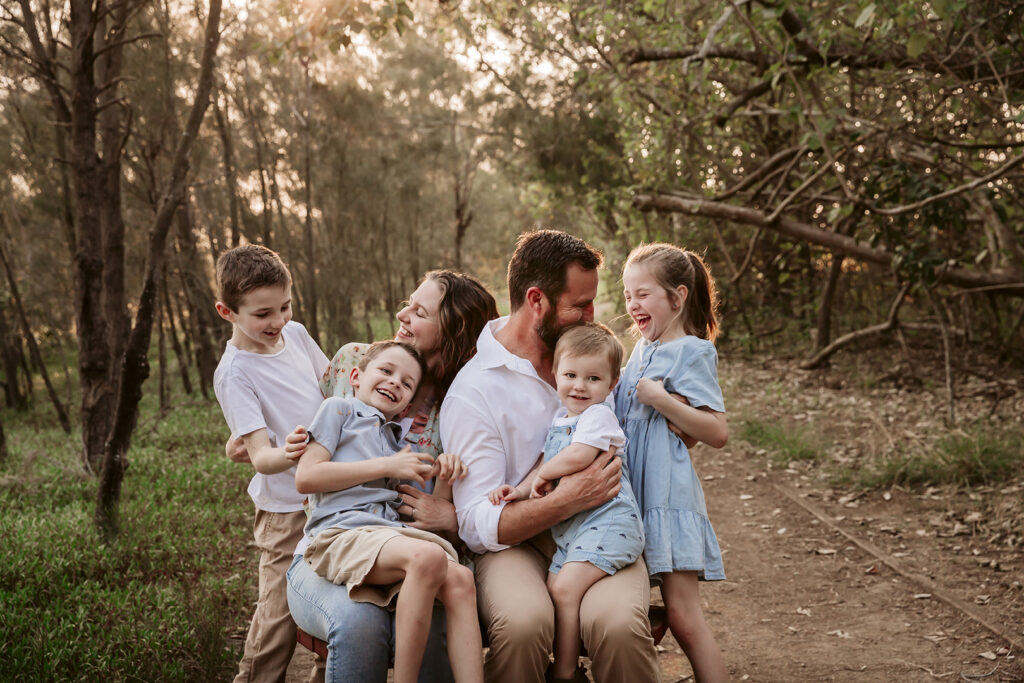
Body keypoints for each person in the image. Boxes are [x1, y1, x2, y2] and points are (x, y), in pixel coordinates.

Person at [441, 230, 661, 683]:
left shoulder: (590, 355)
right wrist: (564, 499)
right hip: (516, 543)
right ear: (536, 299)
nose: (591, 315)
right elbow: (479, 524)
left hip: (600, 529)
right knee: (523, 624)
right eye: (579, 305)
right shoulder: (474, 390)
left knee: (617, 625)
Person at [285, 270, 499, 683]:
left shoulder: (460, 406)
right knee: (359, 623)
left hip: (399, 545)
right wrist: (265, 448)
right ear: (359, 377)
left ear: (451, 332)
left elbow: (458, 501)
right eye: (408, 303)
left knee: (451, 590)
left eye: (419, 312)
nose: (402, 314)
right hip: (334, 541)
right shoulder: (354, 363)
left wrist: (447, 501)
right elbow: (313, 452)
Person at [487, 322, 645, 682]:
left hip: (609, 523)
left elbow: (578, 456)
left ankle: (565, 671)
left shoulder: (598, 417)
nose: (579, 385)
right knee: (555, 585)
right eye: (571, 374)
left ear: (611, 384)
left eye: (593, 378)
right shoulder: (562, 420)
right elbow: (545, 462)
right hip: (578, 531)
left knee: (562, 588)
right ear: (555, 375)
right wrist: (519, 490)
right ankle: (563, 663)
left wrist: (544, 477)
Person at [213, 244, 329, 683]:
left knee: (334, 597)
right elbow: (261, 457)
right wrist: (299, 449)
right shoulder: (235, 372)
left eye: (284, 306)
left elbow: (332, 386)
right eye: (262, 314)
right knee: (279, 617)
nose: (277, 321)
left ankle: (327, 673)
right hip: (285, 511)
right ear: (228, 312)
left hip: (332, 496)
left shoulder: (296, 335)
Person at [615, 243, 729, 683]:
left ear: (677, 297)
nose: (632, 305)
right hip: (633, 497)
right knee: (639, 610)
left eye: (642, 294)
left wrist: (663, 400)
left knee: (682, 614)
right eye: (627, 296)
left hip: (666, 495)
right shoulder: (641, 350)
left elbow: (716, 432)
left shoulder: (693, 351)